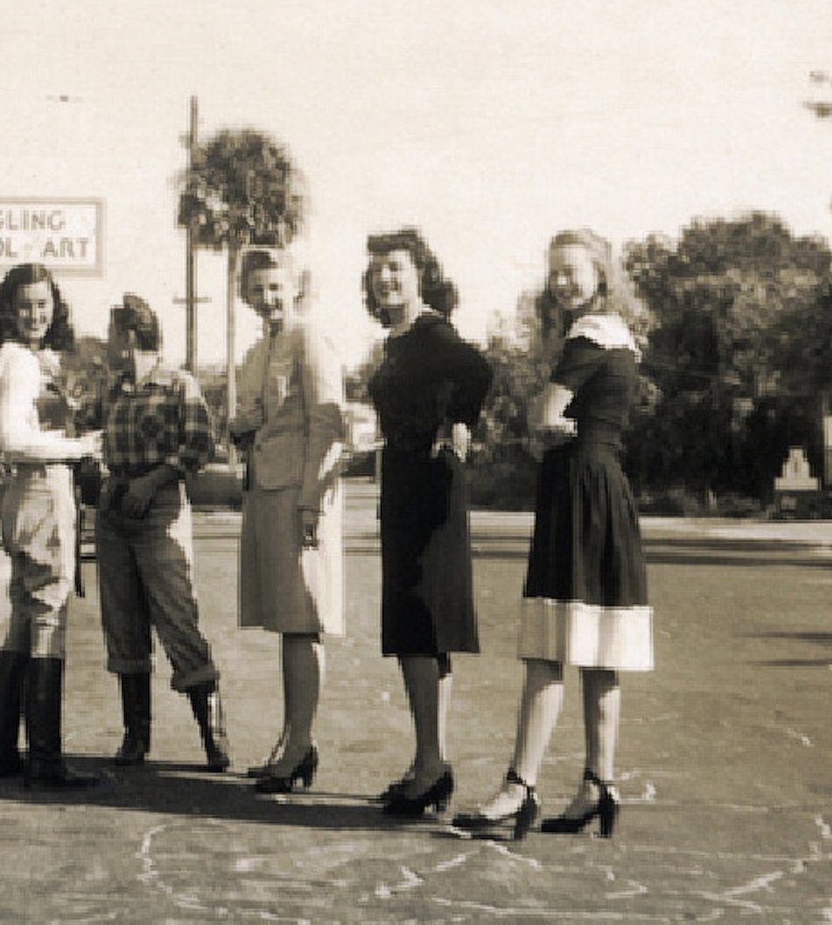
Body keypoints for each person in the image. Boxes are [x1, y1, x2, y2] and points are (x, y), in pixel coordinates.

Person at [456, 229, 653, 842]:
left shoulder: (585, 336)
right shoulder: (624, 339)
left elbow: (543, 414)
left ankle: (520, 788)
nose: (562, 282)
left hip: (575, 490)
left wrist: (552, 425)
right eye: (555, 273)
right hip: (610, 488)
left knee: (548, 647)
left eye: (572, 271)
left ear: (601, 271)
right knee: (600, 647)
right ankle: (600, 782)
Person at [361, 229, 493, 819]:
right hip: (406, 483)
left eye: (396, 268)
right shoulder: (402, 339)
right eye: (378, 270)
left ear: (421, 273)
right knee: (417, 631)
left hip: (430, 489)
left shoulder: (432, 333)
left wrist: (457, 425)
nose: (385, 278)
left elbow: (478, 371)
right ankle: (428, 761)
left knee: (423, 626)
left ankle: (432, 765)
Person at [0, 263, 105, 791]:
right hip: (40, 489)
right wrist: (78, 446)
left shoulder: (25, 359)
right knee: (47, 615)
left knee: (24, 619)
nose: (36, 313)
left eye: (44, 303)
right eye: (26, 304)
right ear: (9, 309)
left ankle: (5, 749)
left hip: (35, 491)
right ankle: (45, 758)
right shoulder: (18, 361)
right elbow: (11, 437)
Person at [229, 247, 348, 796]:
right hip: (266, 493)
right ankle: (291, 739)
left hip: (299, 496)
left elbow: (328, 421)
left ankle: (301, 745)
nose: (267, 298)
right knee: (287, 622)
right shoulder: (259, 350)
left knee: (302, 620)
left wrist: (310, 503)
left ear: (294, 286)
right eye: (257, 289)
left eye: (275, 287)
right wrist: (242, 424)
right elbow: (256, 419)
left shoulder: (308, 336)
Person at [94, 294, 228, 771]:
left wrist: (152, 482)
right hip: (114, 514)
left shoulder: (177, 384)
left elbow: (200, 444)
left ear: (129, 336)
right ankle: (136, 736)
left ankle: (212, 736)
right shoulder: (111, 390)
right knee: (123, 624)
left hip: (159, 511)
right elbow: (90, 437)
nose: (108, 346)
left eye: (112, 335)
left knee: (177, 619)